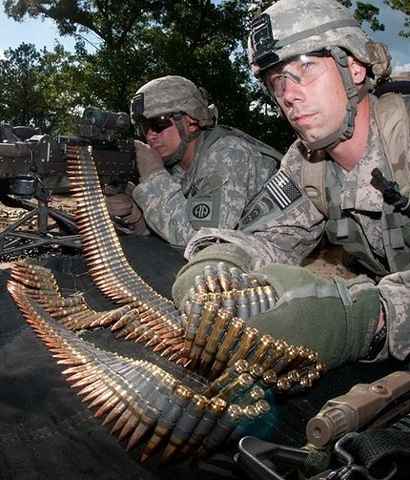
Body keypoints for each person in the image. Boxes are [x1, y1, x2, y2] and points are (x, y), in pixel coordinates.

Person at [172, 0, 409, 370]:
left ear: (356, 67)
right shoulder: (306, 162)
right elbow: (270, 234)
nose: (290, 94)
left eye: (307, 67)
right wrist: (219, 261)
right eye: (277, 81)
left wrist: (367, 318)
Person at [105, 75, 281, 246]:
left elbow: (201, 241)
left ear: (191, 122)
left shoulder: (227, 154)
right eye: (145, 127)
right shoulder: (178, 169)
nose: (151, 135)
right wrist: (136, 219)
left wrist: (153, 177)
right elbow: (170, 232)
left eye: (159, 123)